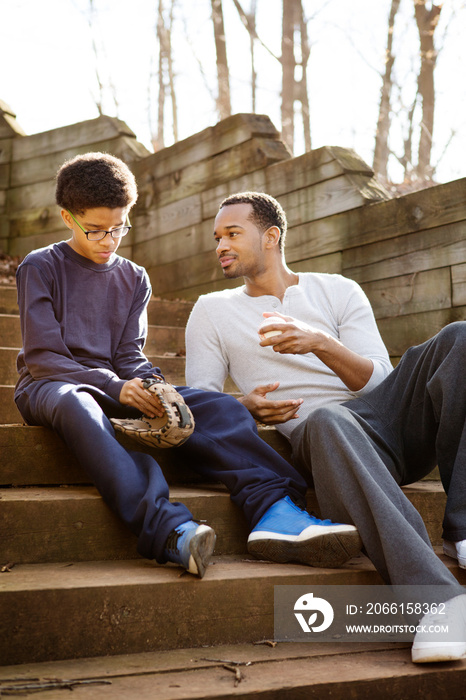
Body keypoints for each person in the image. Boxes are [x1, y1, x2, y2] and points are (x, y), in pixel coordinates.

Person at [14, 154, 362, 582]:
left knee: (220, 407)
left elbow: (128, 353)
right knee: (79, 406)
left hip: (117, 385)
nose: (109, 240)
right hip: (51, 386)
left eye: (119, 227)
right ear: (68, 218)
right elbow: (44, 357)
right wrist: (113, 386)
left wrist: (154, 386)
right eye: (96, 230)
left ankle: (275, 510)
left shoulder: (134, 277)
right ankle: (169, 530)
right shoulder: (40, 266)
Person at [185, 190, 466, 661]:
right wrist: (246, 405)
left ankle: (461, 530)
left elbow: (378, 378)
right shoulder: (211, 310)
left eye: (232, 233)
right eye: (217, 237)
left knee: (460, 338)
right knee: (327, 419)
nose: (221, 246)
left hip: (387, 420)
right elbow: (202, 402)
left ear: (271, 236)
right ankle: (437, 603)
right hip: (322, 439)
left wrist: (321, 343)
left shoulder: (337, 289)